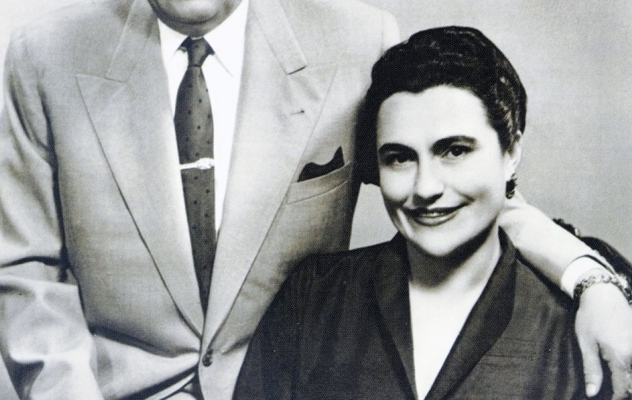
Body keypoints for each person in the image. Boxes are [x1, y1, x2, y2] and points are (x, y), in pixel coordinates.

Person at [0, 0, 632, 398]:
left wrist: (592, 282)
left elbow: (456, 194)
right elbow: (22, 274)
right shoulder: (45, 57)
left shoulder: (358, 40)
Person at [234, 26, 631, 400]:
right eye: (399, 158)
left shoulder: (578, 326)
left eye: (455, 151)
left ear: (510, 153)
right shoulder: (313, 300)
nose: (425, 187)